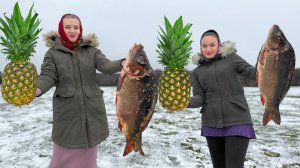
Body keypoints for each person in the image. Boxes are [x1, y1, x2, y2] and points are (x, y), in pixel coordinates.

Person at [35, 14, 125, 168]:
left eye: (76, 27)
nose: (72, 30)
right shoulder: (52, 53)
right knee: (60, 159)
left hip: (92, 111)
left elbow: (106, 66)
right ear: (61, 30)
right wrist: (37, 89)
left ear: (80, 29)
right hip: (67, 114)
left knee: (88, 160)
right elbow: (47, 75)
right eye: (67, 27)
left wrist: (122, 63)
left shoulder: (91, 51)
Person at [187, 29, 256, 168]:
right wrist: (183, 102)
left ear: (219, 44)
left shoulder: (232, 59)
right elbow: (200, 98)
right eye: (204, 46)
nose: (208, 49)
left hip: (237, 120)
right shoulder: (197, 71)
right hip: (211, 123)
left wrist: (271, 62)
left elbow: (253, 73)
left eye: (212, 45)